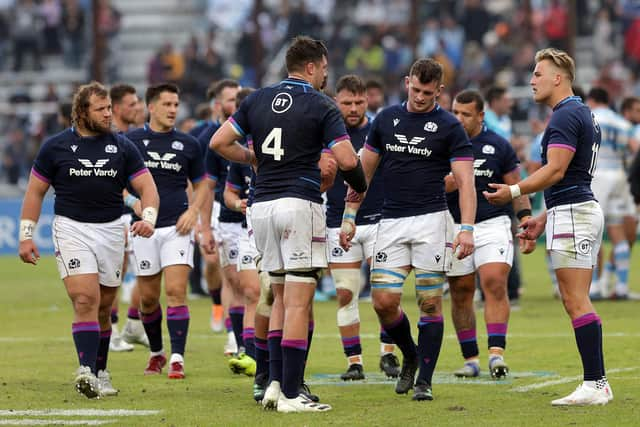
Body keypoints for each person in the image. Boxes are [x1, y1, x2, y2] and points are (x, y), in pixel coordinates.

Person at [210, 35, 366, 413]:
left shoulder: (257, 99)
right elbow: (345, 159)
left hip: (260, 206)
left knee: (278, 297)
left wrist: (252, 158)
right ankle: (294, 394)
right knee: (298, 302)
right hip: (299, 203)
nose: (326, 76)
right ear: (311, 67)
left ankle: (276, 385)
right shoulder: (320, 104)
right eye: (325, 69)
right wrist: (360, 185)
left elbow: (218, 141)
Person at [342, 58, 476, 402]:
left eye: (427, 93)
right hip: (392, 221)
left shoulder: (449, 126)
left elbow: (465, 183)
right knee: (383, 302)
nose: (419, 97)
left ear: (439, 91)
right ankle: (410, 353)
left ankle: (424, 381)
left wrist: (466, 229)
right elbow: (363, 173)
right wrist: (349, 213)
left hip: (433, 221)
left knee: (430, 303)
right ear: (406, 82)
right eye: (415, 89)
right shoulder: (386, 119)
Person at [485, 48, 612, 406]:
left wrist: (513, 190)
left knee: (575, 299)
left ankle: (595, 383)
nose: (532, 81)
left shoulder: (564, 115)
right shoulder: (580, 111)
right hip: (575, 207)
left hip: (574, 210)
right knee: (576, 298)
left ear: (558, 77)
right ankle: (596, 382)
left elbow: (555, 170)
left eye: (538, 74)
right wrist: (543, 218)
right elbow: (568, 175)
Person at [18, 81, 159, 398]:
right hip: (71, 229)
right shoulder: (55, 147)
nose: (109, 114)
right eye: (101, 109)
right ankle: (85, 371)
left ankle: (100, 371)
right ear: (81, 112)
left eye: (110, 107)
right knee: (84, 299)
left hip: (111, 230)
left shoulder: (123, 147)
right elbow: (35, 191)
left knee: (105, 308)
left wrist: (147, 218)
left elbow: (147, 188)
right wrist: (26, 236)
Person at [447, 89, 534, 379]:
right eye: (455, 112)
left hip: (493, 224)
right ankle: (470, 359)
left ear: (481, 116)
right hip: (453, 226)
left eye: (466, 114)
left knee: (494, 281)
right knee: (460, 292)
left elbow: (516, 187)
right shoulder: (442, 144)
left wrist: (525, 219)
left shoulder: (498, 145)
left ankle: (496, 354)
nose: (458, 119)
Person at [126, 83, 207, 380]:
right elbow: (120, 182)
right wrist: (132, 201)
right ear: (151, 107)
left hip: (177, 227)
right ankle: (156, 352)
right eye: (168, 104)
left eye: (176, 104)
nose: (174, 109)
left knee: (175, 291)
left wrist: (193, 212)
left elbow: (202, 185)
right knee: (148, 299)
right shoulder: (131, 141)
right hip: (144, 229)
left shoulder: (188, 144)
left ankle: (177, 358)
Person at [324, 74, 399, 381]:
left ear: (368, 101)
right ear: (335, 102)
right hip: (337, 223)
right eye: (346, 102)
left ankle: (388, 354)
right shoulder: (326, 133)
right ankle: (354, 361)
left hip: (381, 221)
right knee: (345, 293)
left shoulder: (379, 131)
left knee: (386, 293)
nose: (353, 108)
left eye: (359, 102)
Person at [198, 79, 246, 355]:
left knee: (244, 279)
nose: (237, 103)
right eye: (232, 99)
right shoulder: (209, 139)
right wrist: (201, 221)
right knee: (219, 269)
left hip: (247, 209)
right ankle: (229, 324)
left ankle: (238, 328)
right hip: (219, 207)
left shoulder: (256, 134)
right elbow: (202, 183)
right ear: (219, 104)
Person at [109, 83, 149, 352]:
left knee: (145, 273)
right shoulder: (109, 138)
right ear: (117, 108)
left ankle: (132, 324)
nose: (138, 108)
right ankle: (111, 330)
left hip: (134, 215)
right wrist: (132, 201)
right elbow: (111, 180)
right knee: (114, 275)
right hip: (117, 214)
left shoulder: (131, 137)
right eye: (132, 104)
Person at [587, 88, 637, 300]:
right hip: (619, 174)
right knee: (618, 232)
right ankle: (622, 286)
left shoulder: (590, 118)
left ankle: (595, 286)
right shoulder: (623, 123)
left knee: (593, 229)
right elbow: (635, 149)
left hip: (598, 175)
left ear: (592, 100)